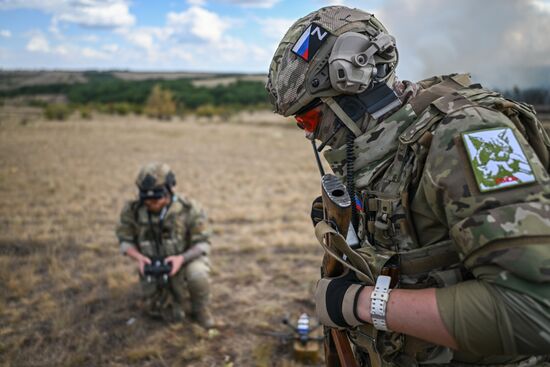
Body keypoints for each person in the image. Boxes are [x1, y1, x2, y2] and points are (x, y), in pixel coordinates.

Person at [266, 6, 550, 366]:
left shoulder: (471, 136)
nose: (310, 133)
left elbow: (536, 310)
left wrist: (360, 304)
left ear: (352, 85)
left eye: (309, 117)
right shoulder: (383, 151)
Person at [116, 162, 214, 329]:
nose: (152, 203)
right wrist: (138, 257)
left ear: (170, 190)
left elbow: (203, 244)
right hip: (151, 263)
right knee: (164, 314)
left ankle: (200, 309)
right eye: (146, 198)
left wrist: (181, 259)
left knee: (197, 275)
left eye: (157, 197)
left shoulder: (190, 209)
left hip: (184, 260)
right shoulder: (132, 211)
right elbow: (125, 241)